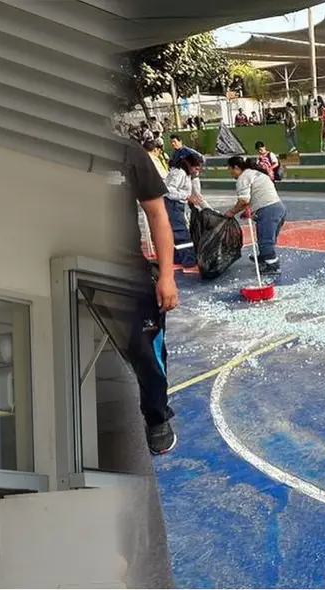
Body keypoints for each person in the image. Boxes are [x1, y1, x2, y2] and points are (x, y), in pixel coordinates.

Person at [118, 139, 180, 454]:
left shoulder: (128, 154)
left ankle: (157, 417)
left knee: (147, 353)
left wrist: (167, 276)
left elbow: (157, 215)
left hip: (126, 274)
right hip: (63, 270)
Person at [224, 156, 287, 277]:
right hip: (278, 208)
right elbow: (257, 194)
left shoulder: (243, 177)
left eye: (229, 169)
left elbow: (244, 200)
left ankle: (273, 266)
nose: (229, 172)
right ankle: (264, 257)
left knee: (265, 241)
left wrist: (231, 212)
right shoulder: (256, 173)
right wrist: (248, 210)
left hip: (267, 210)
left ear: (236, 167)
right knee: (269, 238)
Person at [163, 152, 205, 271]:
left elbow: (193, 193)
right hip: (172, 204)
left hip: (178, 204)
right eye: (196, 168)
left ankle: (177, 257)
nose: (197, 171)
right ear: (190, 165)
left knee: (175, 232)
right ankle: (189, 261)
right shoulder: (179, 173)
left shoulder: (186, 174)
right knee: (181, 232)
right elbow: (168, 190)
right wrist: (186, 196)